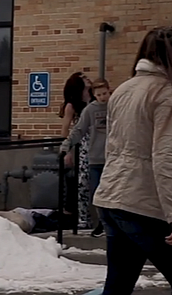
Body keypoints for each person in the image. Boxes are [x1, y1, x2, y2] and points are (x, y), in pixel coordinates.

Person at [94, 27, 172, 295]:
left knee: (118, 286)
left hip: (112, 196)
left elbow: (111, 148)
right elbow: (165, 156)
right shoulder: (168, 93)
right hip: (144, 203)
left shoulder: (123, 89)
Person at [62, 78, 111, 237]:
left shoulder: (116, 107)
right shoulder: (90, 110)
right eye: (99, 94)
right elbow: (78, 129)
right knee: (96, 193)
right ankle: (102, 224)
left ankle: (112, 226)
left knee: (113, 193)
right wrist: (66, 145)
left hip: (113, 158)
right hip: (95, 158)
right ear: (94, 95)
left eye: (105, 93)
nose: (102, 97)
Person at [60, 72, 93, 229]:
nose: (88, 78)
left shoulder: (94, 100)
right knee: (81, 182)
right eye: (83, 77)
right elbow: (65, 128)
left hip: (97, 144)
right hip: (81, 145)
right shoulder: (72, 105)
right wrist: (67, 150)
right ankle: (82, 218)